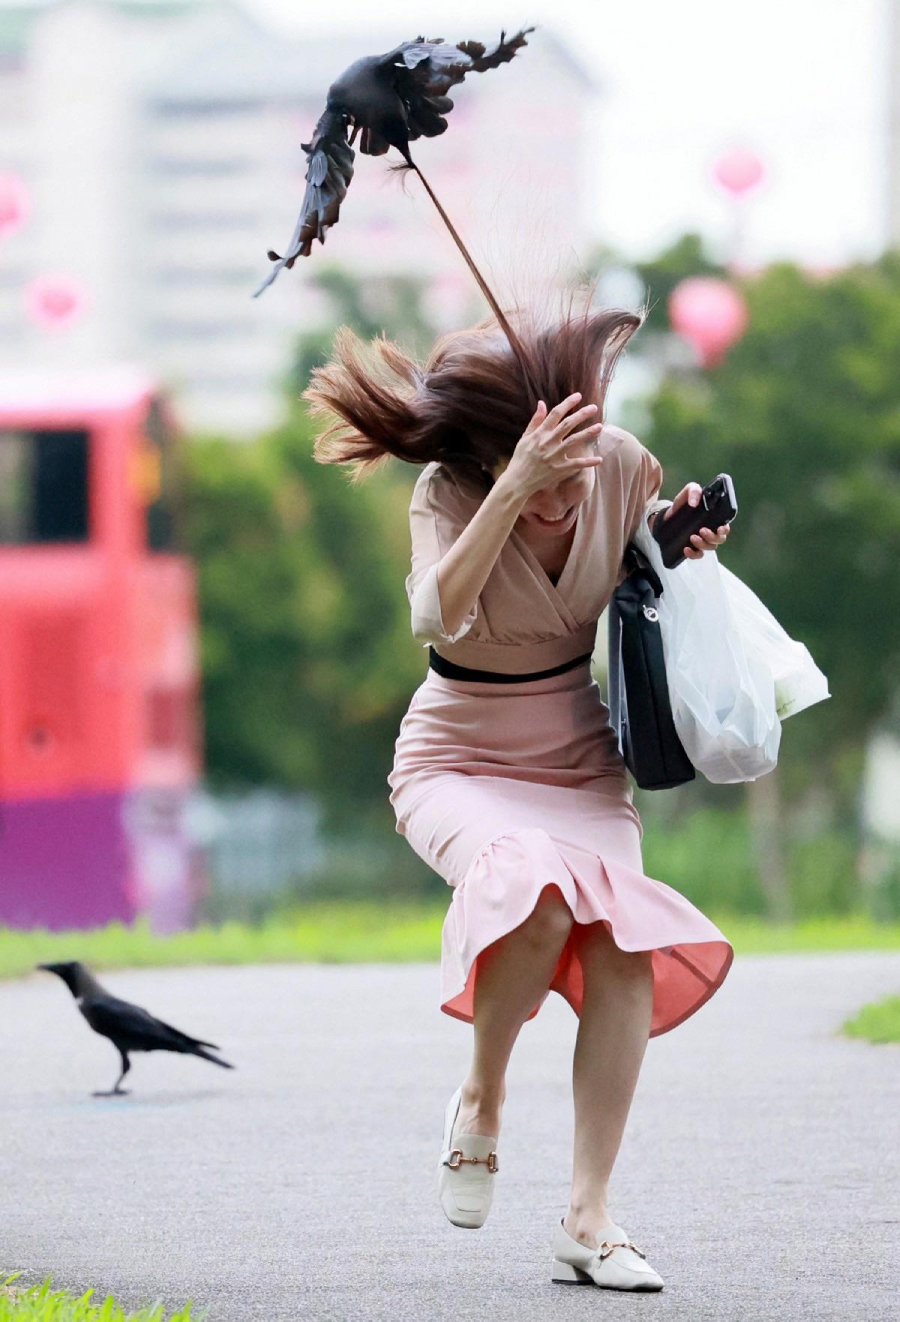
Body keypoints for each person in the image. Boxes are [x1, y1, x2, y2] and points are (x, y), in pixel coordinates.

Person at [305, 300, 734, 1293]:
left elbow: (638, 569)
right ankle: (482, 1101)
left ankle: (590, 1217)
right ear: (490, 458)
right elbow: (434, 611)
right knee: (535, 894)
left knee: (623, 944)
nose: (561, 497)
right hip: (458, 752)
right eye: (534, 474)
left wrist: (673, 543)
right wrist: (515, 489)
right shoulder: (449, 492)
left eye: (572, 472)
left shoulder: (623, 462)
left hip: (577, 755)